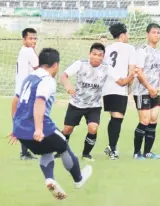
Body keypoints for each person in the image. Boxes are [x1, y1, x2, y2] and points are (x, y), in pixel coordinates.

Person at [11, 48, 92, 200]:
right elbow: (40, 101)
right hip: (38, 127)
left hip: (20, 129)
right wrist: (39, 129)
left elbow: (15, 99)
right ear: (55, 65)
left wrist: (15, 126)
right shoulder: (48, 80)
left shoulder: (29, 78)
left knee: (47, 149)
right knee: (63, 146)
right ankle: (78, 180)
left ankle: (50, 179)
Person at [57, 43, 137, 161]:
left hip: (94, 106)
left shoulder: (107, 68)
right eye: (94, 54)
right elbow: (64, 75)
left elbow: (121, 82)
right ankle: (60, 150)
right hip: (77, 103)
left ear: (103, 57)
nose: (97, 57)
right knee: (68, 129)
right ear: (89, 54)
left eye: (100, 55)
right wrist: (68, 86)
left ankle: (86, 154)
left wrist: (132, 76)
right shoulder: (80, 64)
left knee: (93, 128)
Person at [102, 23, 157, 160]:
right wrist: (129, 86)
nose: (128, 36)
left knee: (114, 118)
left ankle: (111, 146)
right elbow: (132, 69)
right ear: (122, 35)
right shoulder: (129, 48)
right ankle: (112, 149)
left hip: (107, 87)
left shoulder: (107, 49)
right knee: (117, 119)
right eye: (127, 34)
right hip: (120, 86)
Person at [132, 23, 160, 160]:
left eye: (158, 33)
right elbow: (139, 72)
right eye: (154, 32)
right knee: (144, 120)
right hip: (142, 91)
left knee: (153, 118)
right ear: (147, 34)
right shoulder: (142, 51)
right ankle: (137, 152)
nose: (156, 35)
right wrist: (149, 87)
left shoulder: (159, 53)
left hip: (154, 92)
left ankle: (148, 152)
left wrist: (158, 87)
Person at [11, 28, 39, 160]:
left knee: (26, 120)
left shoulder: (23, 50)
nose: (33, 41)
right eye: (30, 38)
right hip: (26, 90)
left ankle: (25, 151)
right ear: (24, 40)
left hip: (20, 89)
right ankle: (24, 152)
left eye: (35, 38)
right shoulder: (29, 51)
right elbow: (38, 68)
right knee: (29, 120)